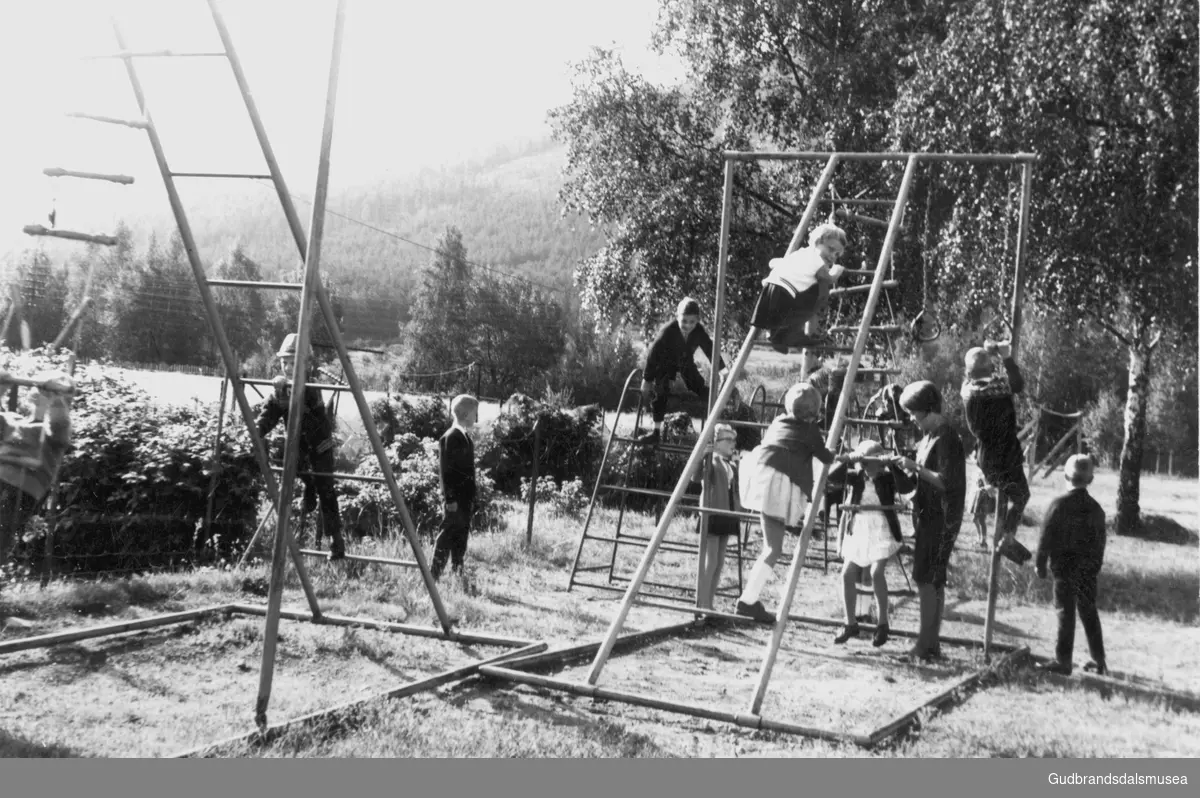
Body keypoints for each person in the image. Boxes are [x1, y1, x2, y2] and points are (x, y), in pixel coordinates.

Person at [735, 382, 848, 622]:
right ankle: (747, 601)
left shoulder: (778, 422)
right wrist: (844, 456)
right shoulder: (810, 432)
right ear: (814, 413)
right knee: (773, 549)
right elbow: (826, 456)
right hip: (780, 486)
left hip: (763, 478)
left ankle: (748, 599)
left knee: (770, 547)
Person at [256, 333, 347, 561]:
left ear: (306, 365)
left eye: (292, 362)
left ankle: (336, 540)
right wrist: (256, 431)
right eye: (284, 362)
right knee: (293, 467)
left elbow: (302, 395)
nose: (287, 367)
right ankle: (309, 485)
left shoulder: (310, 384)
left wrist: (284, 387)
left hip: (320, 444)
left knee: (326, 488)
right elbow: (271, 411)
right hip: (298, 443)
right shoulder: (284, 388)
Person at [893, 380, 966, 661]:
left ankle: (923, 647)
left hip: (941, 519)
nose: (911, 419)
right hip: (929, 516)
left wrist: (915, 468)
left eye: (913, 413)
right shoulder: (929, 435)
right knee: (934, 581)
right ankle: (931, 645)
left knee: (926, 580)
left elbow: (946, 482)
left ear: (928, 410)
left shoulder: (946, 438)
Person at [831, 439, 915, 647]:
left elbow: (906, 487)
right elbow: (832, 476)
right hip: (859, 528)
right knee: (847, 574)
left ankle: (883, 624)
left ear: (880, 462)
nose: (867, 468)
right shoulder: (856, 477)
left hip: (881, 526)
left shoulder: (887, 478)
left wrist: (893, 465)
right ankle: (850, 623)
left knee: (877, 572)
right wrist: (848, 460)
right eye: (864, 463)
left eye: (872, 463)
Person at [1035, 454, 1107, 676]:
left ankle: (1063, 660)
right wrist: (1095, 567)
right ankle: (1099, 660)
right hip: (1087, 571)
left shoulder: (1057, 505)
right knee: (1088, 612)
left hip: (1063, 570)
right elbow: (1100, 543)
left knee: (1065, 613)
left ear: (1065, 475)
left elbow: (1045, 537)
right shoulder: (1097, 509)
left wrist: (1040, 564)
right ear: (1091, 480)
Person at [0, 370, 74, 571]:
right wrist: (2, 387)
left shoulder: (53, 432)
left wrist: (56, 398)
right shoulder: (12, 421)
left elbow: (59, 424)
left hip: (20, 491)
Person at [960, 341, 1029, 554]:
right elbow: (1017, 384)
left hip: (986, 455)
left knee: (1003, 493)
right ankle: (1006, 537)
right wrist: (1006, 357)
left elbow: (974, 374)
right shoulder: (1000, 387)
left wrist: (985, 355)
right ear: (990, 369)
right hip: (1008, 453)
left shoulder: (967, 391)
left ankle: (1000, 536)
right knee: (1021, 496)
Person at [636, 298, 727, 445]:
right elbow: (653, 355)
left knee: (697, 384)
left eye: (692, 322)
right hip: (665, 362)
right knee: (661, 390)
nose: (688, 326)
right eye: (684, 321)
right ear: (677, 316)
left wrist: (722, 370)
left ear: (697, 320)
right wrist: (647, 380)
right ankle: (655, 432)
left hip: (685, 360)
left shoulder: (698, 331)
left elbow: (711, 350)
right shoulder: (667, 331)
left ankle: (715, 414)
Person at [749, 223, 848, 354]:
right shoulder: (816, 259)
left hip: (769, 291)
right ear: (818, 242)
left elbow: (773, 262)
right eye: (830, 249)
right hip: (784, 294)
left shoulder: (801, 253)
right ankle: (786, 335)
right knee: (819, 297)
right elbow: (828, 279)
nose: (832, 257)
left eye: (836, 255)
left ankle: (777, 334)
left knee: (797, 305)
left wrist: (777, 263)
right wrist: (837, 271)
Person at [687, 423, 742, 611]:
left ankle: (709, 602)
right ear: (717, 442)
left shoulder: (730, 462)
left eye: (734, 439)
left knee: (719, 561)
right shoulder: (712, 460)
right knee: (710, 560)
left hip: (727, 512)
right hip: (712, 511)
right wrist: (703, 455)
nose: (732, 443)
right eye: (728, 439)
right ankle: (701, 602)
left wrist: (738, 463)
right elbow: (695, 477)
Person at [432, 394, 478, 582]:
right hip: (455, 500)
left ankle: (457, 571)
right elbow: (446, 471)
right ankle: (433, 574)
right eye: (475, 413)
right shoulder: (451, 437)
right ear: (466, 414)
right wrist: (449, 498)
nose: (476, 417)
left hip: (465, 499)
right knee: (447, 535)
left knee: (461, 536)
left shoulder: (465, 436)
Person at [969, 474, 997, 549]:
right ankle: (979, 537)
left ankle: (983, 541)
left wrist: (985, 484)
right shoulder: (978, 471)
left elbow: (991, 490)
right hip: (978, 497)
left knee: (981, 520)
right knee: (974, 519)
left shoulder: (987, 473)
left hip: (985, 499)